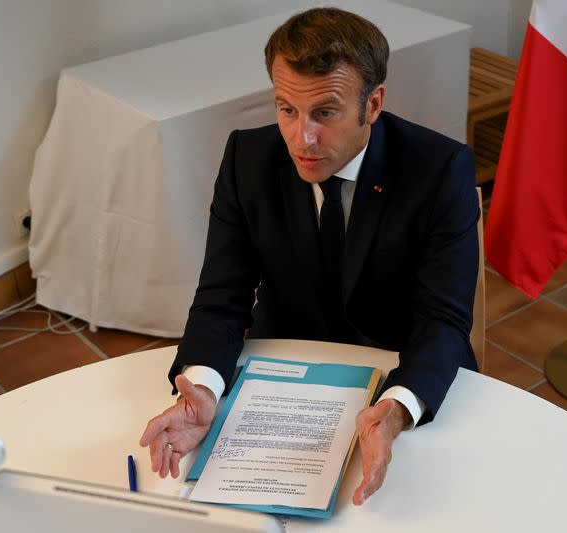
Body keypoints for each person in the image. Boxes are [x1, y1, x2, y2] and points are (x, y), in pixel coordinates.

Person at [140, 7, 479, 506]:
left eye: (325, 112)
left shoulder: (440, 169)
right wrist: (205, 390)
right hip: (281, 379)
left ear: (373, 103)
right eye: (286, 109)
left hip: (402, 377)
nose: (303, 138)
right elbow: (221, 297)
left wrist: (399, 408)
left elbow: (443, 319)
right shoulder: (246, 159)